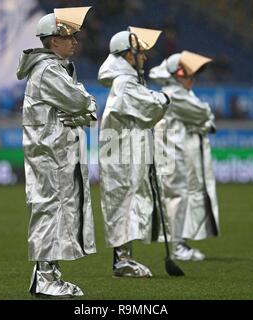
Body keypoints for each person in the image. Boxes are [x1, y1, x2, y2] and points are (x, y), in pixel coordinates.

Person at [16, 6, 97, 298]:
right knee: (49, 211)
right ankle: (46, 279)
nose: (75, 41)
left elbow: (83, 110)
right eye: (70, 36)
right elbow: (80, 102)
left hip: (54, 153)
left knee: (53, 211)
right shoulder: (49, 70)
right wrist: (84, 108)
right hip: (50, 154)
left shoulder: (55, 69)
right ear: (53, 40)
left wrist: (82, 111)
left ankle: (48, 276)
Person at [98, 27, 170, 277]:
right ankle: (122, 261)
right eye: (140, 52)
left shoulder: (127, 82)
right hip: (122, 157)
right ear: (128, 56)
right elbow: (150, 107)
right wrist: (165, 99)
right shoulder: (125, 83)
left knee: (127, 203)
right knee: (124, 204)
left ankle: (124, 258)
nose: (145, 57)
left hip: (125, 154)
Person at [149, 51, 220, 262]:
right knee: (176, 197)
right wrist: (204, 121)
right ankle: (177, 245)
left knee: (179, 197)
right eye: (188, 74)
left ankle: (178, 242)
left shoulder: (180, 94)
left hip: (175, 154)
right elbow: (203, 113)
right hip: (171, 155)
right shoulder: (175, 94)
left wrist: (203, 120)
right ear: (176, 74)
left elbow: (202, 116)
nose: (193, 78)